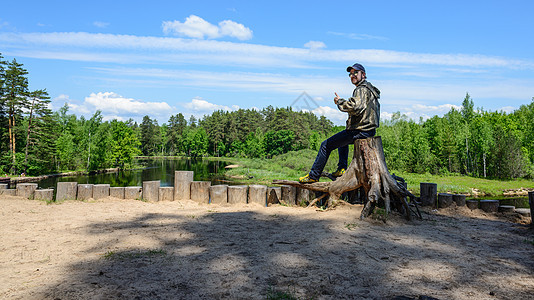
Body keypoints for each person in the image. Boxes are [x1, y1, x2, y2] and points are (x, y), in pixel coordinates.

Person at [299, 63, 380, 183]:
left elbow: (355, 107)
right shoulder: (370, 89)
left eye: (355, 73)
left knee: (325, 145)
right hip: (368, 130)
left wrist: (339, 101)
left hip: (360, 130)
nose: (352, 75)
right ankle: (342, 168)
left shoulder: (361, 89)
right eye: (350, 74)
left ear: (363, 74)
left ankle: (313, 176)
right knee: (342, 141)